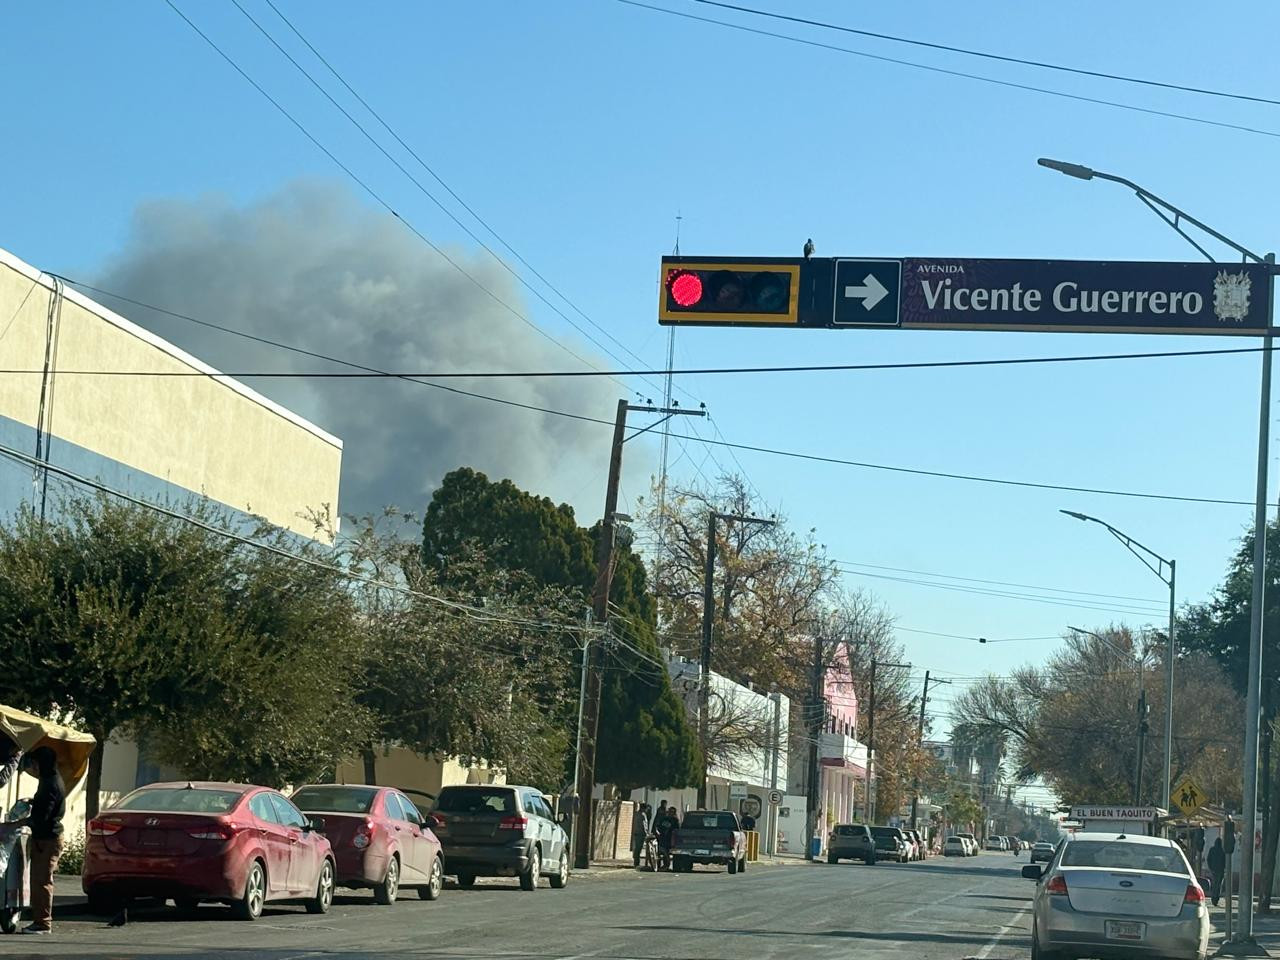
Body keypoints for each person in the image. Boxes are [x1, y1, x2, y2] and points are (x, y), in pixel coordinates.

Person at [17, 747, 64, 935]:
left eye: (35, 763)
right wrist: (32, 801)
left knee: (42, 881)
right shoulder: (49, 780)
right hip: (45, 837)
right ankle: (39, 920)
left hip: (48, 839)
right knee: (38, 880)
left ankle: (43, 923)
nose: (33, 767)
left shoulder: (51, 784)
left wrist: (18, 823)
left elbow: (43, 815)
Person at [654, 801, 680, 871]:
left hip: (670, 839)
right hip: (662, 837)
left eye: (672, 812)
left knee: (666, 852)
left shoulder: (675, 820)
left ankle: (666, 865)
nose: (670, 813)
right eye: (670, 811)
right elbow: (658, 826)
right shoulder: (664, 819)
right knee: (659, 852)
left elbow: (677, 830)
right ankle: (658, 865)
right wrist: (657, 831)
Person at [631, 802, 651, 868]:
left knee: (637, 847)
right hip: (641, 833)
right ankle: (636, 862)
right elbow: (644, 825)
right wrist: (647, 833)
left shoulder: (636, 814)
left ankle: (636, 861)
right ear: (644, 808)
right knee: (639, 848)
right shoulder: (643, 815)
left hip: (636, 832)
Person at [1208, 837, 1226, 907]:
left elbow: (1208, 859)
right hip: (1220, 870)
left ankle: (1213, 897)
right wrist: (1224, 868)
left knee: (1214, 884)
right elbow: (1225, 861)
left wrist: (1210, 867)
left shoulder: (1212, 850)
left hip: (1214, 870)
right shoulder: (1222, 850)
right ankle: (1216, 898)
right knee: (1218, 885)